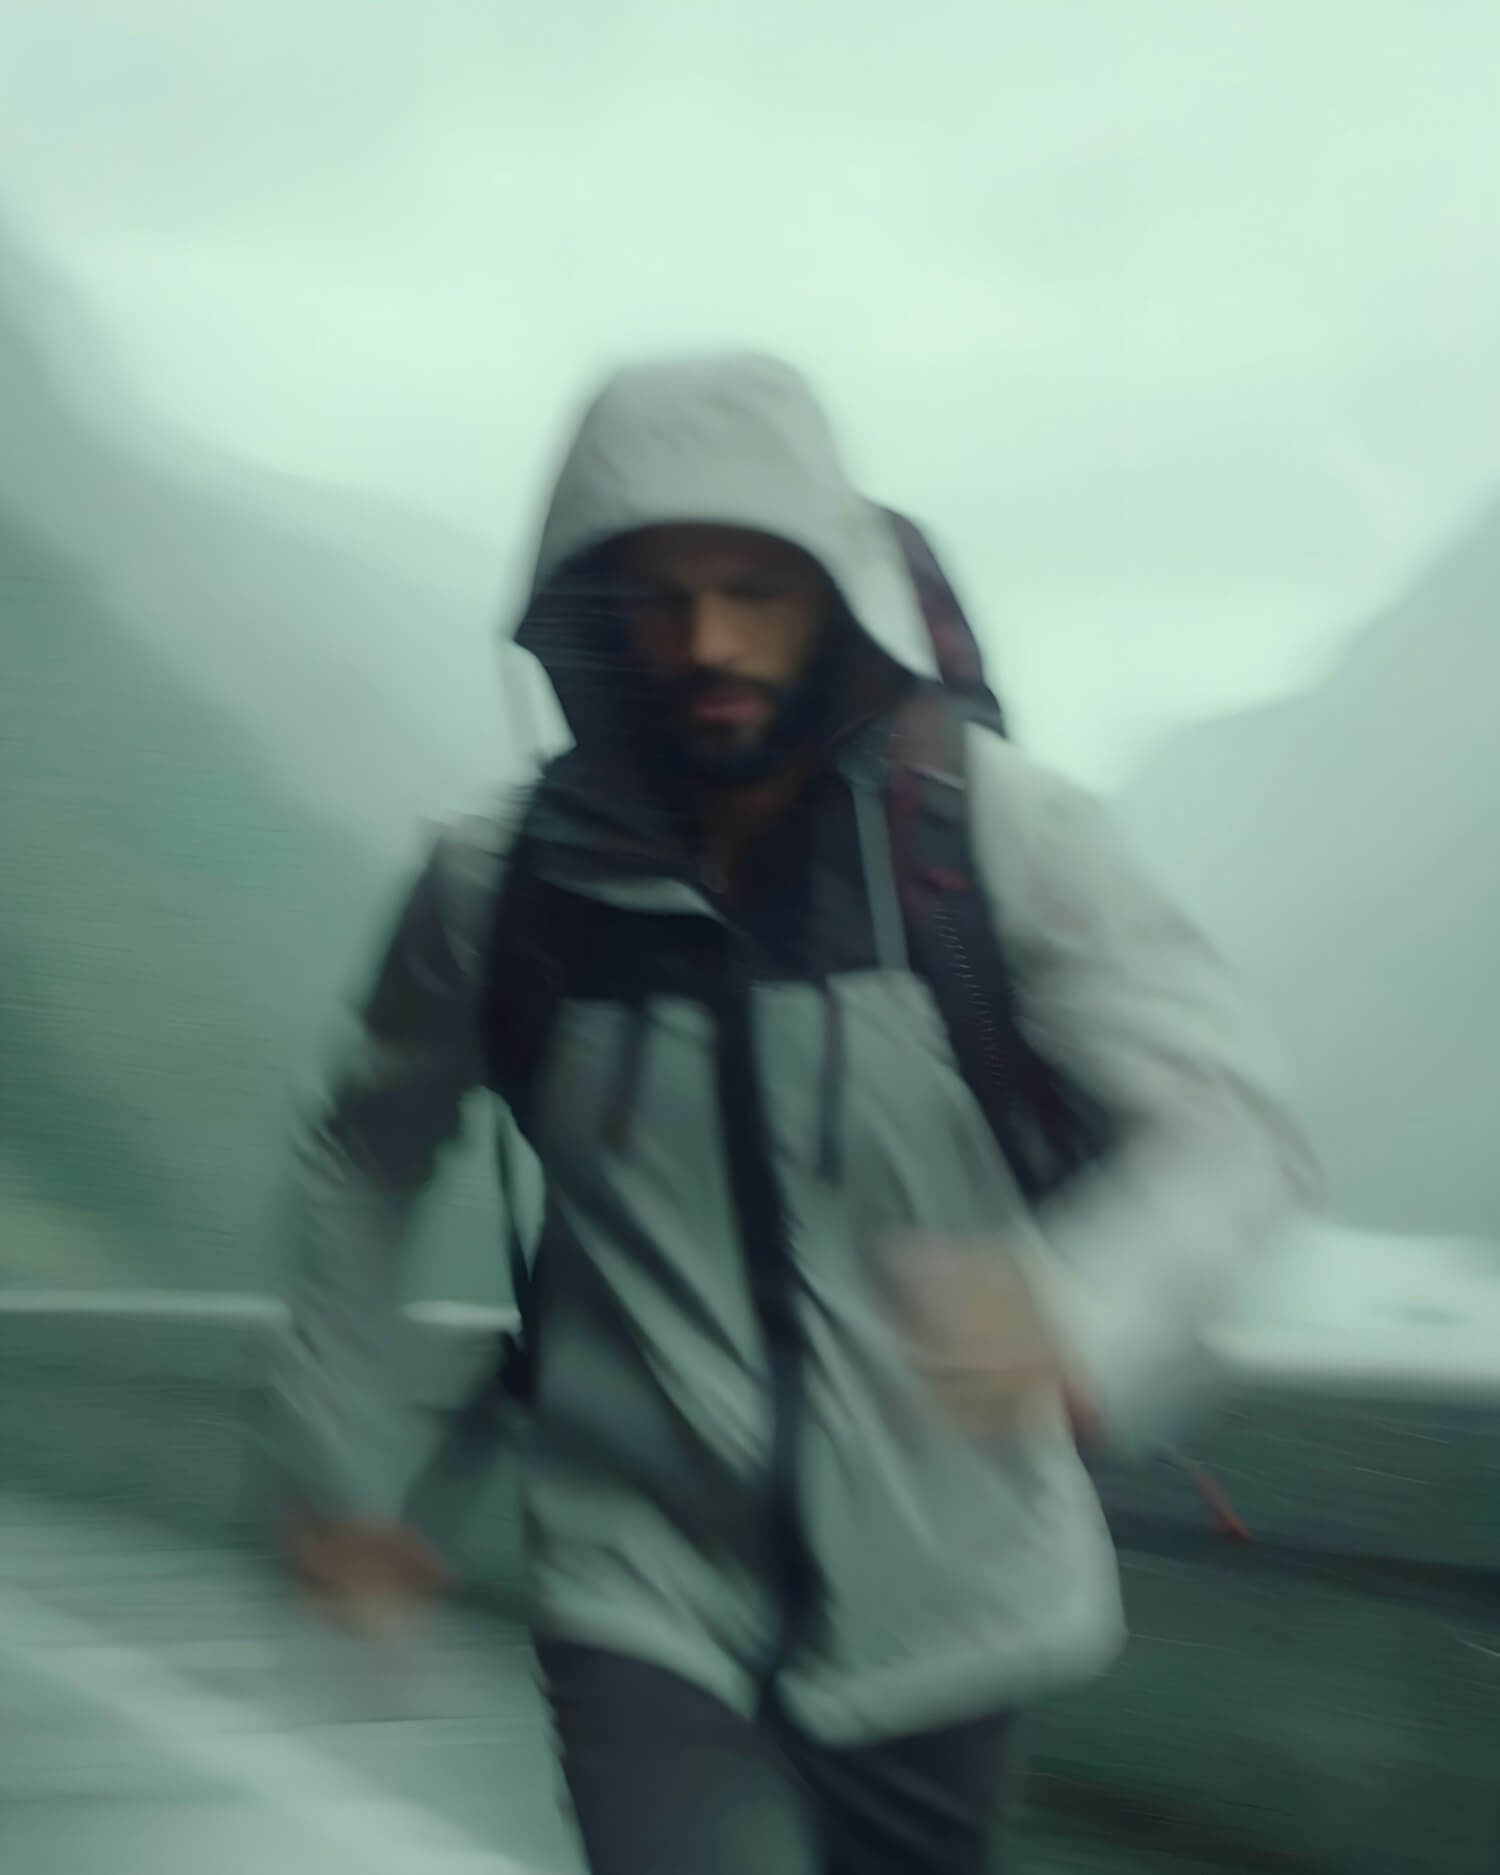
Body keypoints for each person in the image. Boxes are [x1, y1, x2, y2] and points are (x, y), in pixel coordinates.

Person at [271, 352, 1315, 1874]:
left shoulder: (994, 842)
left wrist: (1080, 1311)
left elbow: (1236, 1125)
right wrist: (337, 1471)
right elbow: (361, 1158)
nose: (710, 639)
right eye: (661, 594)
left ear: (835, 598)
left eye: (756, 588)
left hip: (950, 1601)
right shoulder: (494, 890)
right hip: (635, 1588)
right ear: (590, 620)